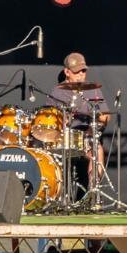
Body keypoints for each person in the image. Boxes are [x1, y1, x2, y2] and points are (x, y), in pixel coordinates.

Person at [50, 51, 109, 184]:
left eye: (83, 71)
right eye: (77, 71)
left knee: (96, 149)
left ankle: (93, 192)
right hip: (63, 136)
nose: (81, 74)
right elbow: (50, 118)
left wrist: (94, 127)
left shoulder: (93, 89)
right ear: (67, 72)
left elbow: (105, 116)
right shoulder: (57, 91)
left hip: (86, 136)